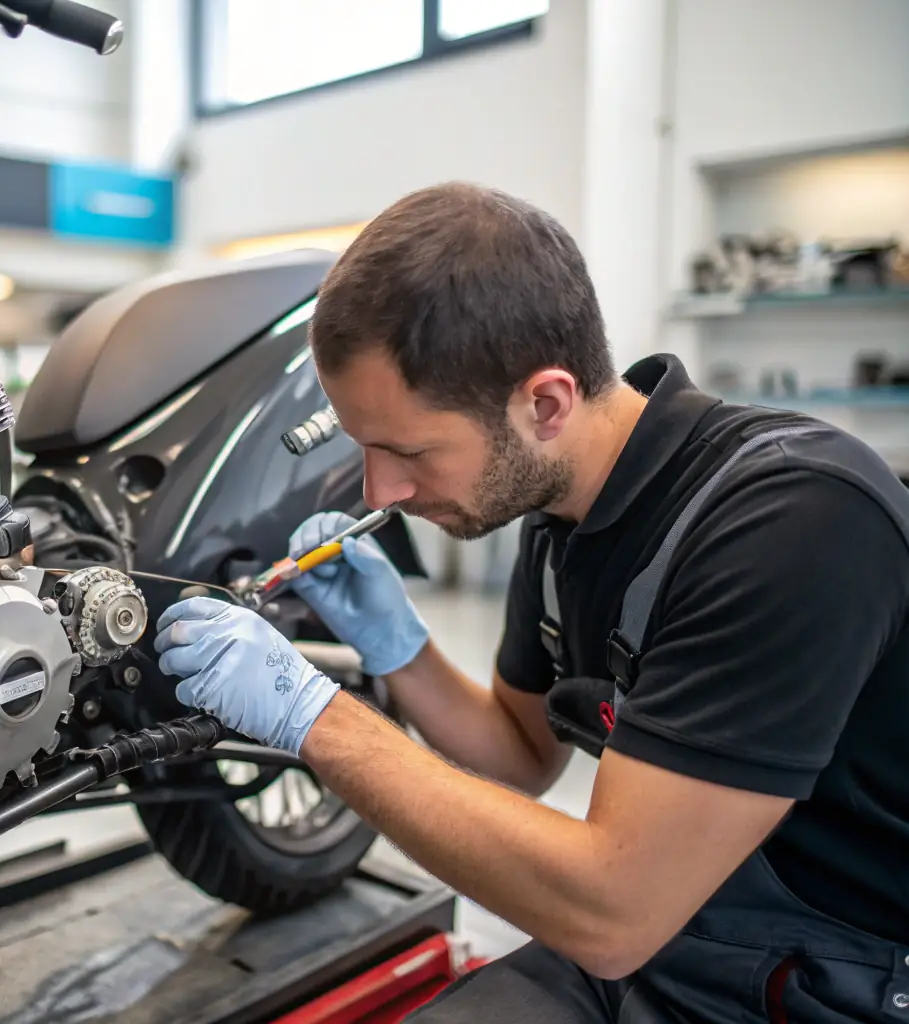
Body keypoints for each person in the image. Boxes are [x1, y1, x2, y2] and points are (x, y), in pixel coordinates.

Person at [153, 182, 909, 1023]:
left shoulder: (791, 522)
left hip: (839, 978)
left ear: (544, 402)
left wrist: (315, 718)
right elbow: (518, 753)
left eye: (406, 450)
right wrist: (398, 647)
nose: (382, 491)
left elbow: (612, 909)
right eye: (364, 448)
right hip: (669, 932)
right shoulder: (559, 516)